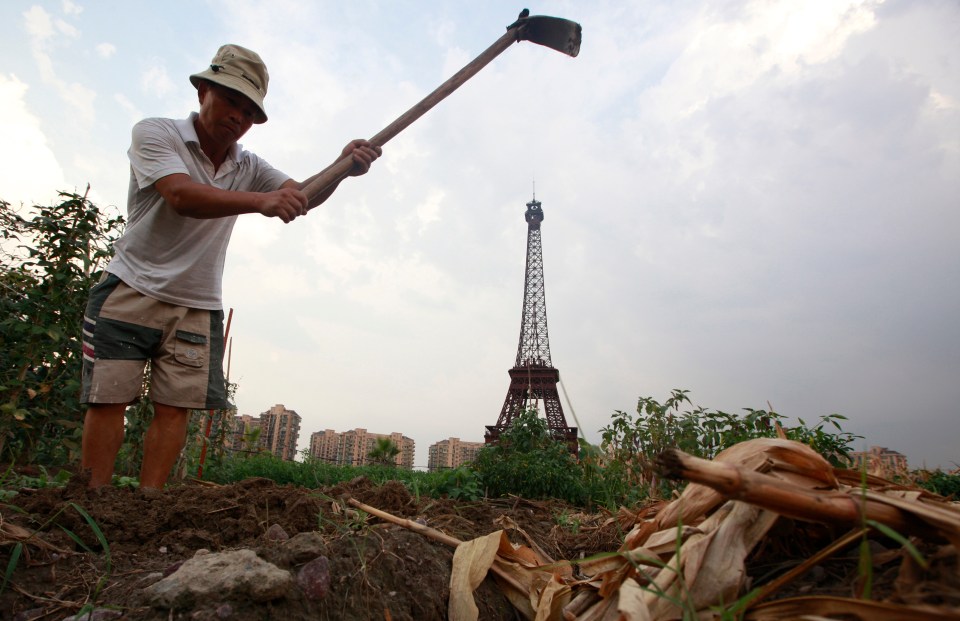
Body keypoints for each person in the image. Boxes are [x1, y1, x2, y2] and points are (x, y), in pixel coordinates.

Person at [79, 44, 381, 489]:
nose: (237, 116)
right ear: (203, 90)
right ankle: (93, 502)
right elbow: (181, 196)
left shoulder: (249, 165)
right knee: (108, 400)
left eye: (248, 110)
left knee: (174, 407)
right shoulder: (156, 134)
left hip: (196, 303)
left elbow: (302, 196)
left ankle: (148, 505)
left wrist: (341, 169)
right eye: (229, 100)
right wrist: (261, 201)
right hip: (131, 288)